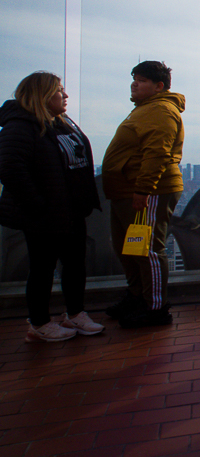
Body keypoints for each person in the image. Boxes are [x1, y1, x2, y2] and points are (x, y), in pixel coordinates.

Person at [0, 72, 103, 342]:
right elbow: (10, 168)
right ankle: (39, 323)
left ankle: (75, 313)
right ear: (43, 95)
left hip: (69, 211)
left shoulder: (61, 123)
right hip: (44, 214)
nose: (65, 95)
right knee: (43, 268)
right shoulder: (20, 125)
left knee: (74, 265)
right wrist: (39, 205)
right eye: (59, 90)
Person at [103, 61, 185, 328]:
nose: (134, 84)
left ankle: (155, 307)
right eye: (134, 79)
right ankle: (138, 296)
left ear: (158, 86)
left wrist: (143, 189)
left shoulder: (160, 110)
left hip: (148, 192)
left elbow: (158, 153)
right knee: (130, 247)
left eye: (141, 80)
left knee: (147, 248)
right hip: (129, 191)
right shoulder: (145, 110)